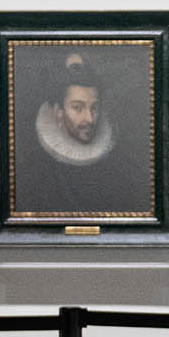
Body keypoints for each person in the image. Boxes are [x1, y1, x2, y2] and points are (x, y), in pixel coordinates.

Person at [19, 53, 134, 216]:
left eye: (94, 107)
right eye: (77, 107)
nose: (89, 118)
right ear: (59, 113)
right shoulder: (34, 171)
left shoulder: (121, 166)